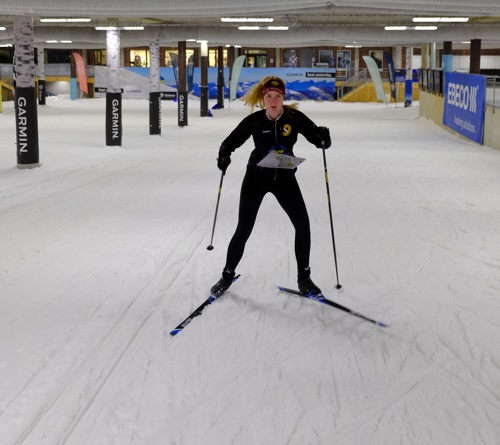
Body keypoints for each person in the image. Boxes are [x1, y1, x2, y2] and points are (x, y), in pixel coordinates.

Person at [211, 76, 331, 296]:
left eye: (277, 96)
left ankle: (304, 279)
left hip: (285, 178)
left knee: (303, 225)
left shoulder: (294, 118)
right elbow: (230, 142)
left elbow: (317, 139)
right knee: (243, 229)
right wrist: (223, 155)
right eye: (269, 97)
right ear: (263, 99)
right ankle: (226, 276)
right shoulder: (255, 120)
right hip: (256, 178)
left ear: (283, 97)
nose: (273, 101)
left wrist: (323, 137)